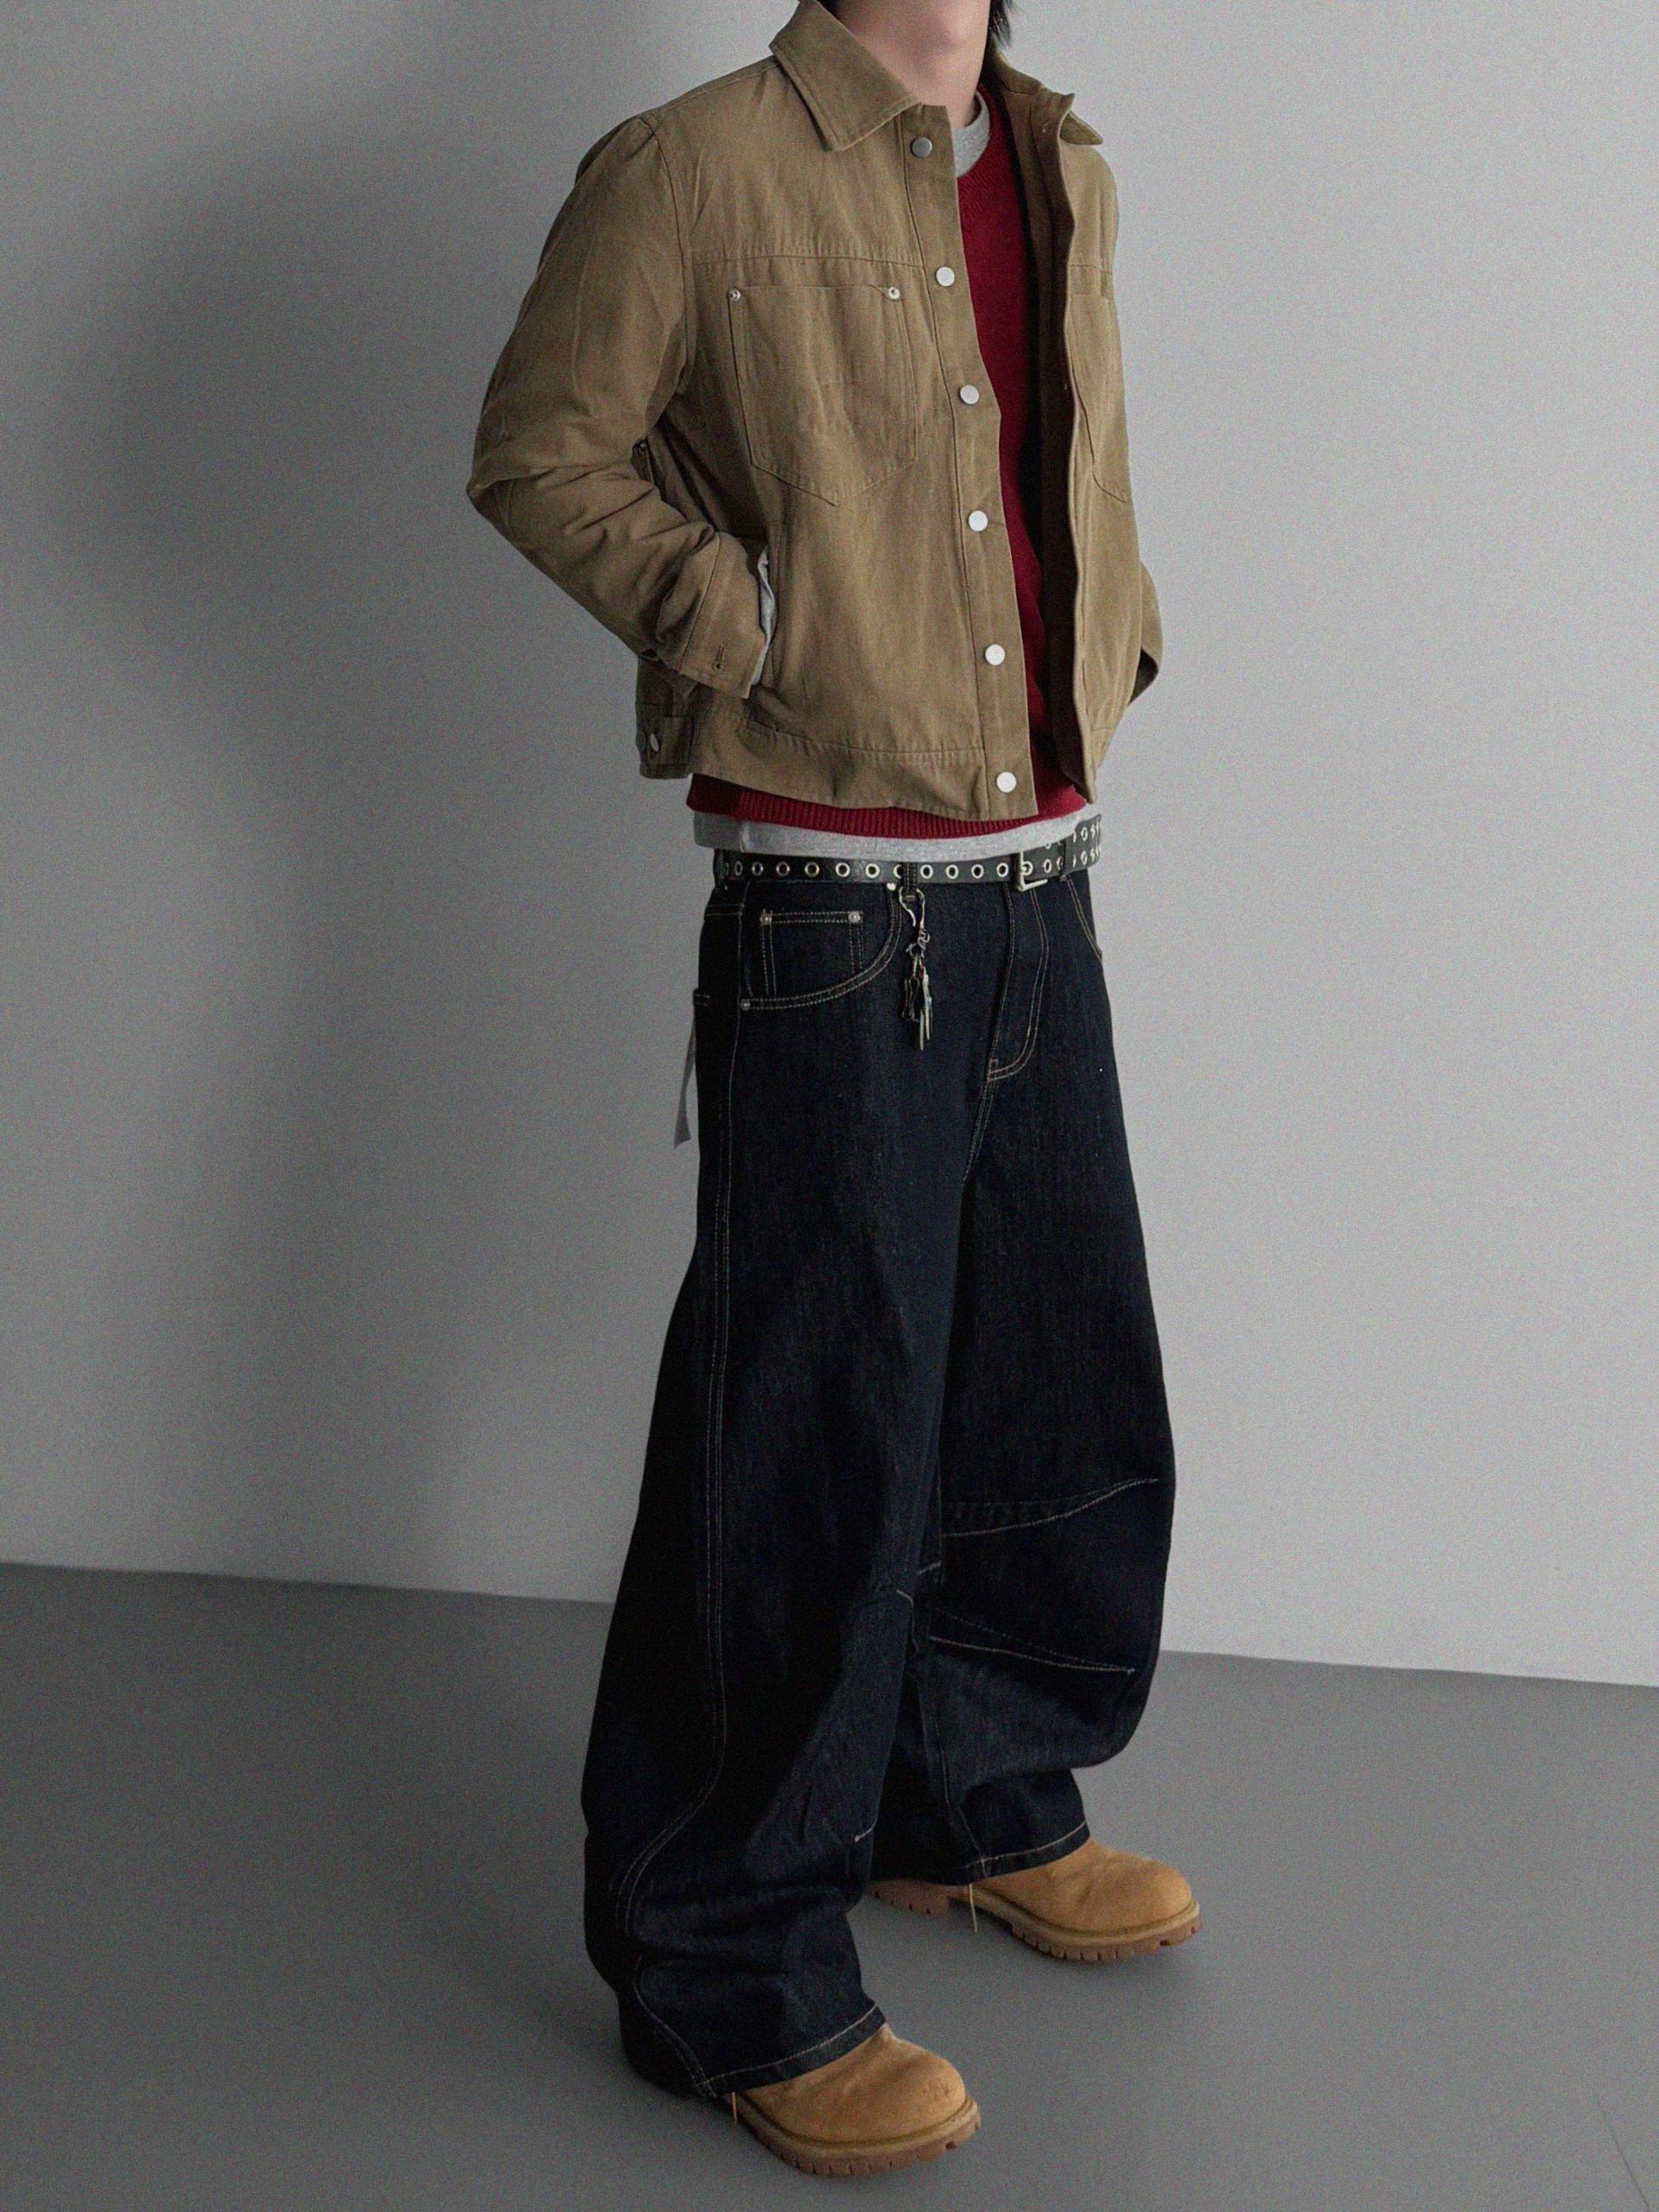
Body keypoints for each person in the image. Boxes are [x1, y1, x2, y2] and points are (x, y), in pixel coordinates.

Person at [466, 0, 1192, 2176]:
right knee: (809, 1430)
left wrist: (1122, 634)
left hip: (1038, 863)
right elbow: (539, 449)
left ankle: (967, 1791)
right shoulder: (689, 166)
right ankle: (722, 1954)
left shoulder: (1062, 155)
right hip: (834, 903)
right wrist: (753, 615)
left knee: (1049, 1374)